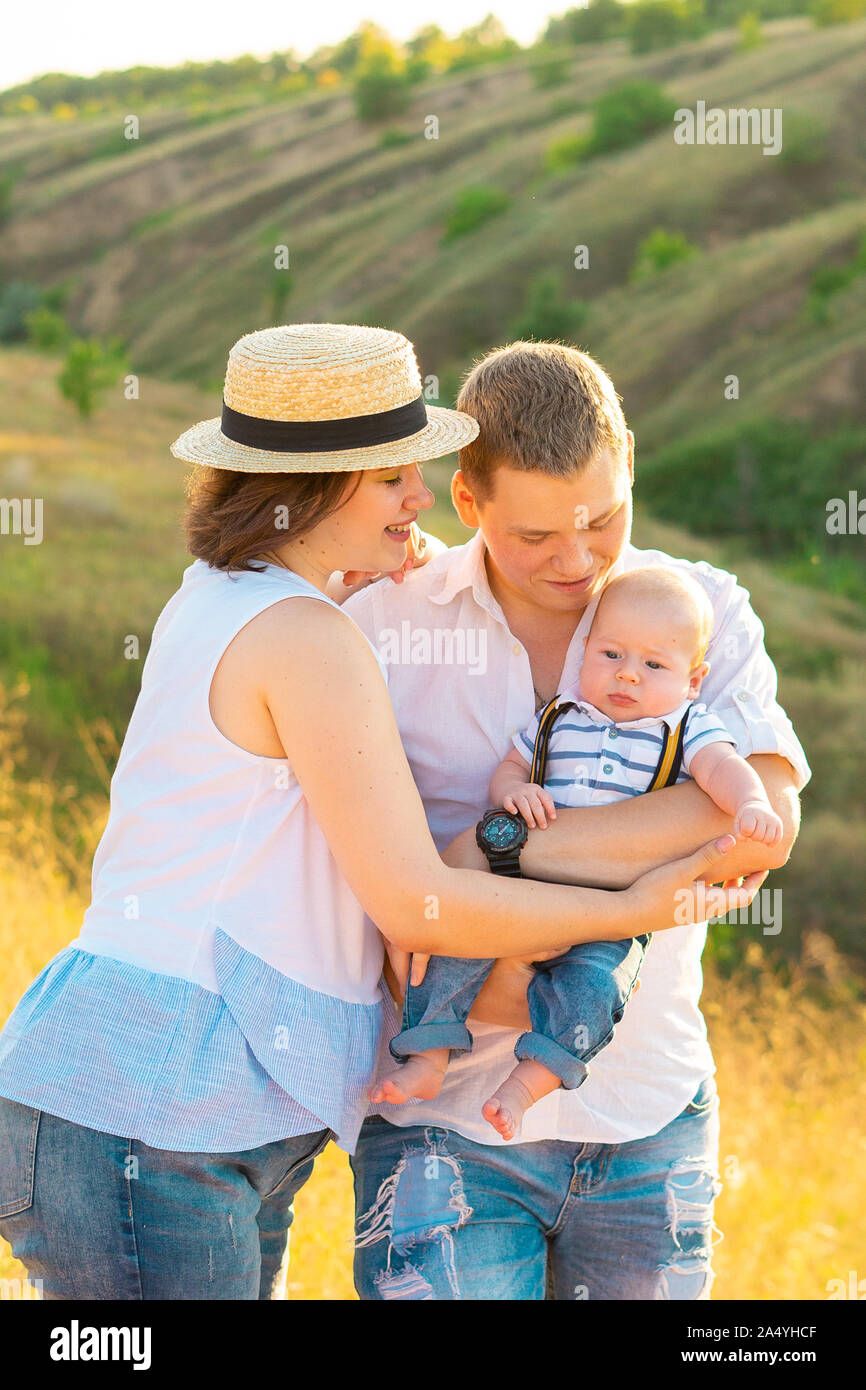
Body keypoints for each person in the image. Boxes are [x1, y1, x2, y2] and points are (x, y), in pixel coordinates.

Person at [0, 324, 750, 1301]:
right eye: (393, 477)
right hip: (152, 1116)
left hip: (195, 1124)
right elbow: (417, 904)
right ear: (315, 487)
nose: (418, 497)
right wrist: (637, 910)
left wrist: (392, 554)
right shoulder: (303, 635)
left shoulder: (233, 595)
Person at [343, 339, 810, 1301]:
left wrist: (486, 854)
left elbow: (766, 817)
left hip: (650, 1112)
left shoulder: (700, 609)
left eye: (602, 519)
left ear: (629, 458)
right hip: (443, 1124)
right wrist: (648, 850)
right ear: (466, 503)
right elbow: (376, 888)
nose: (577, 559)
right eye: (535, 537)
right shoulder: (386, 625)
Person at [373, 565, 784, 1141]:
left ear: (694, 680)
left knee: (594, 990)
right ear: (585, 652)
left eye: (654, 665)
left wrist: (750, 804)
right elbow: (513, 766)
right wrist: (514, 791)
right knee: (450, 952)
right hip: (521, 892)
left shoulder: (685, 725)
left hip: (613, 907)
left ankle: (526, 1084)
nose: (628, 677)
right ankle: (429, 1056)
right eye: (612, 655)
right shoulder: (560, 715)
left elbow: (722, 769)